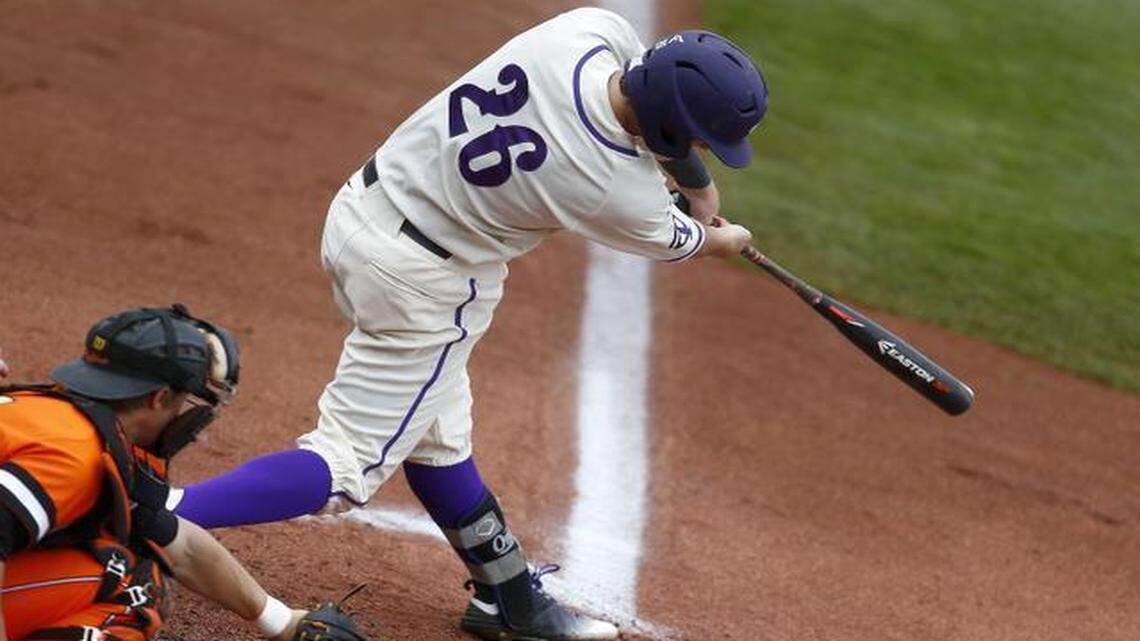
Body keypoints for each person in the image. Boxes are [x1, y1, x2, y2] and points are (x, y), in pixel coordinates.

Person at [167, 8, 767, 640]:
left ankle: (504, 596)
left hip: (362, 212)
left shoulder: (583, 32)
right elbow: (692, 239)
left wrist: (692, 178)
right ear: (674, 121)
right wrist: (721, 230)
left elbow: (653, 123)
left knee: (435, 434)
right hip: (422, 285)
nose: (704, 152)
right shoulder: (611, 188)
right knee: (346, 468)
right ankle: (155, 516)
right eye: (702, 139)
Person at [0, 305, 366, 641]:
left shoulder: (60, 414)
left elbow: (182, 545)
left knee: (131, 548)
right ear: (159, 398)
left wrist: (283, 621)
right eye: (183, 399)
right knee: (132, 587)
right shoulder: (74, 454)